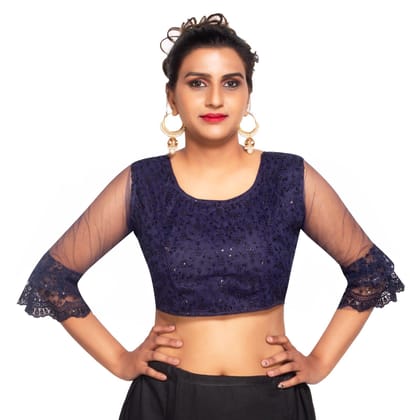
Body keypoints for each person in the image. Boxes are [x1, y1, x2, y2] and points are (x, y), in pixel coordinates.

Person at [18, 13, 404, 420]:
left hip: (272, 400)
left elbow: (370, 271)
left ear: (248, 95)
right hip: (166, 400)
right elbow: (52, 279)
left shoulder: (290, 177)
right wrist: (119, 360)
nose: (215, 99)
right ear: (172, 97)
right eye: (197, 83)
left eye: (231, 83)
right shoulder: (143, 183)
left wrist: (320, 362)